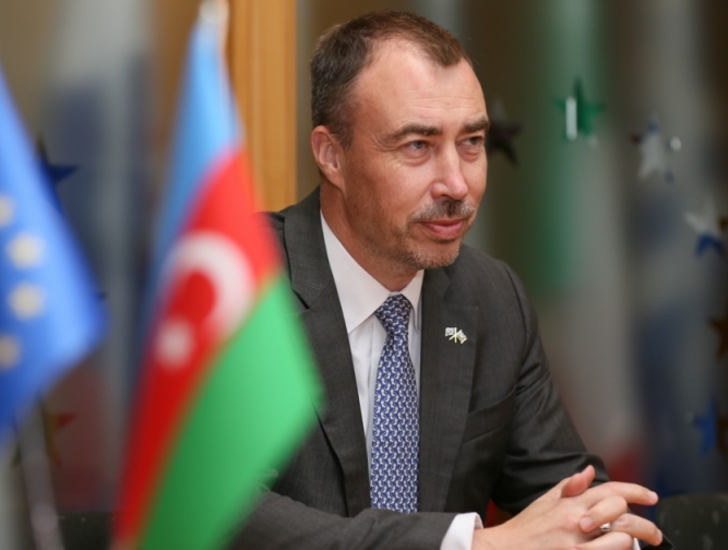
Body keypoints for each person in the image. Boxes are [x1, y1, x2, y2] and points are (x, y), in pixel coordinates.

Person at [230, 11, 670, 550]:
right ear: (332, 156)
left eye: (472, 142)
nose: (457, 184)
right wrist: (472, 545)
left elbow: (568, 495)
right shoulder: (241, 282)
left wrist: (602, 530)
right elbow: (219, 511)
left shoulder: (492, 297)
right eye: (417, 146)